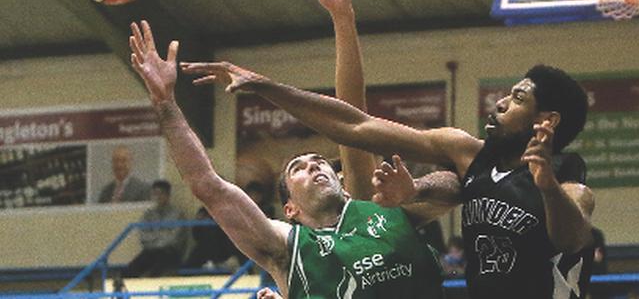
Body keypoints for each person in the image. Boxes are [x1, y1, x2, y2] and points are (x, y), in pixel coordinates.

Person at [127, 0, 445, 298]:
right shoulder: (287, 247)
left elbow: (355, 117)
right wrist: (166, 104)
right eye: (299, 169)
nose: (315, 166)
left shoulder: (380, 209)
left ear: (342, 182)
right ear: (289, 208)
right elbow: (208, 185)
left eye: (319, 162)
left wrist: (343, 16)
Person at [181, 53, 594, 297]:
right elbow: (356, 127)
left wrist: (547, 187)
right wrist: (267, 87)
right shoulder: (468, 154)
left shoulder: (570, 184)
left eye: (517, 99)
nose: (502, 102)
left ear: (548, 121)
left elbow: (573, 237)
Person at [123, 180, 187, 277]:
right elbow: (143, 237)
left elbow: (173, 239)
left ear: (168, 195)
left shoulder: (177, 214)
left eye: (161, 193)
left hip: (169, 252)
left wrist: (155, 238)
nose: (158, 197)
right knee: (128, 271)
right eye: (155, 194)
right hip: (151, 251)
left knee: (156, 273)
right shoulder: (148, 214)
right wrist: (162, 235)